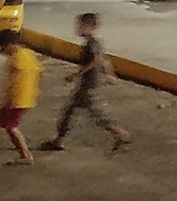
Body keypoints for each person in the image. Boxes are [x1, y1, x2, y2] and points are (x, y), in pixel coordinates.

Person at [41, 12, 129, 152]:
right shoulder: (93, 43)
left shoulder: (92, 43)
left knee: (96, 113)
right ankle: (59, 140)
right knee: (71, 112)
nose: (78, 28)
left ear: (90, 27)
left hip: (90, 84)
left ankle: (120, 133)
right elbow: (105, 60)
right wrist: (110, 74)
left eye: (81, 25)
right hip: (89, 83)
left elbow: (96, 60)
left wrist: (76, 75)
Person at [0, 30, 41, 165]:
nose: (2, 51)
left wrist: (6, 99)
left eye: (2, 47)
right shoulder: (29, 54)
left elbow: (14, 83)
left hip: (17, 99)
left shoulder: (15, 58)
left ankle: (26, 155)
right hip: (28, 96)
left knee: (11, 127)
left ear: (8, 45)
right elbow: (40, 72)